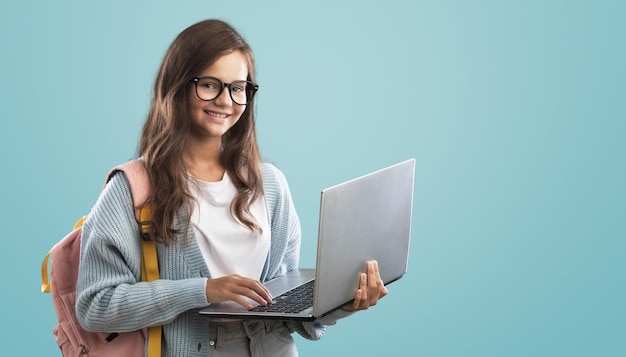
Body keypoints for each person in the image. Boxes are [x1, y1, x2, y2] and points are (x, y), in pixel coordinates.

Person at [76, 19, 387, 356]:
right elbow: (96, 305)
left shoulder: (270, 184)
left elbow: (285, 305)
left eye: (238, 88)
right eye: (210, 85)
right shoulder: (132, 189)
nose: (226, 100)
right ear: (178, 85)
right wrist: (204, 290)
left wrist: (343, 303)